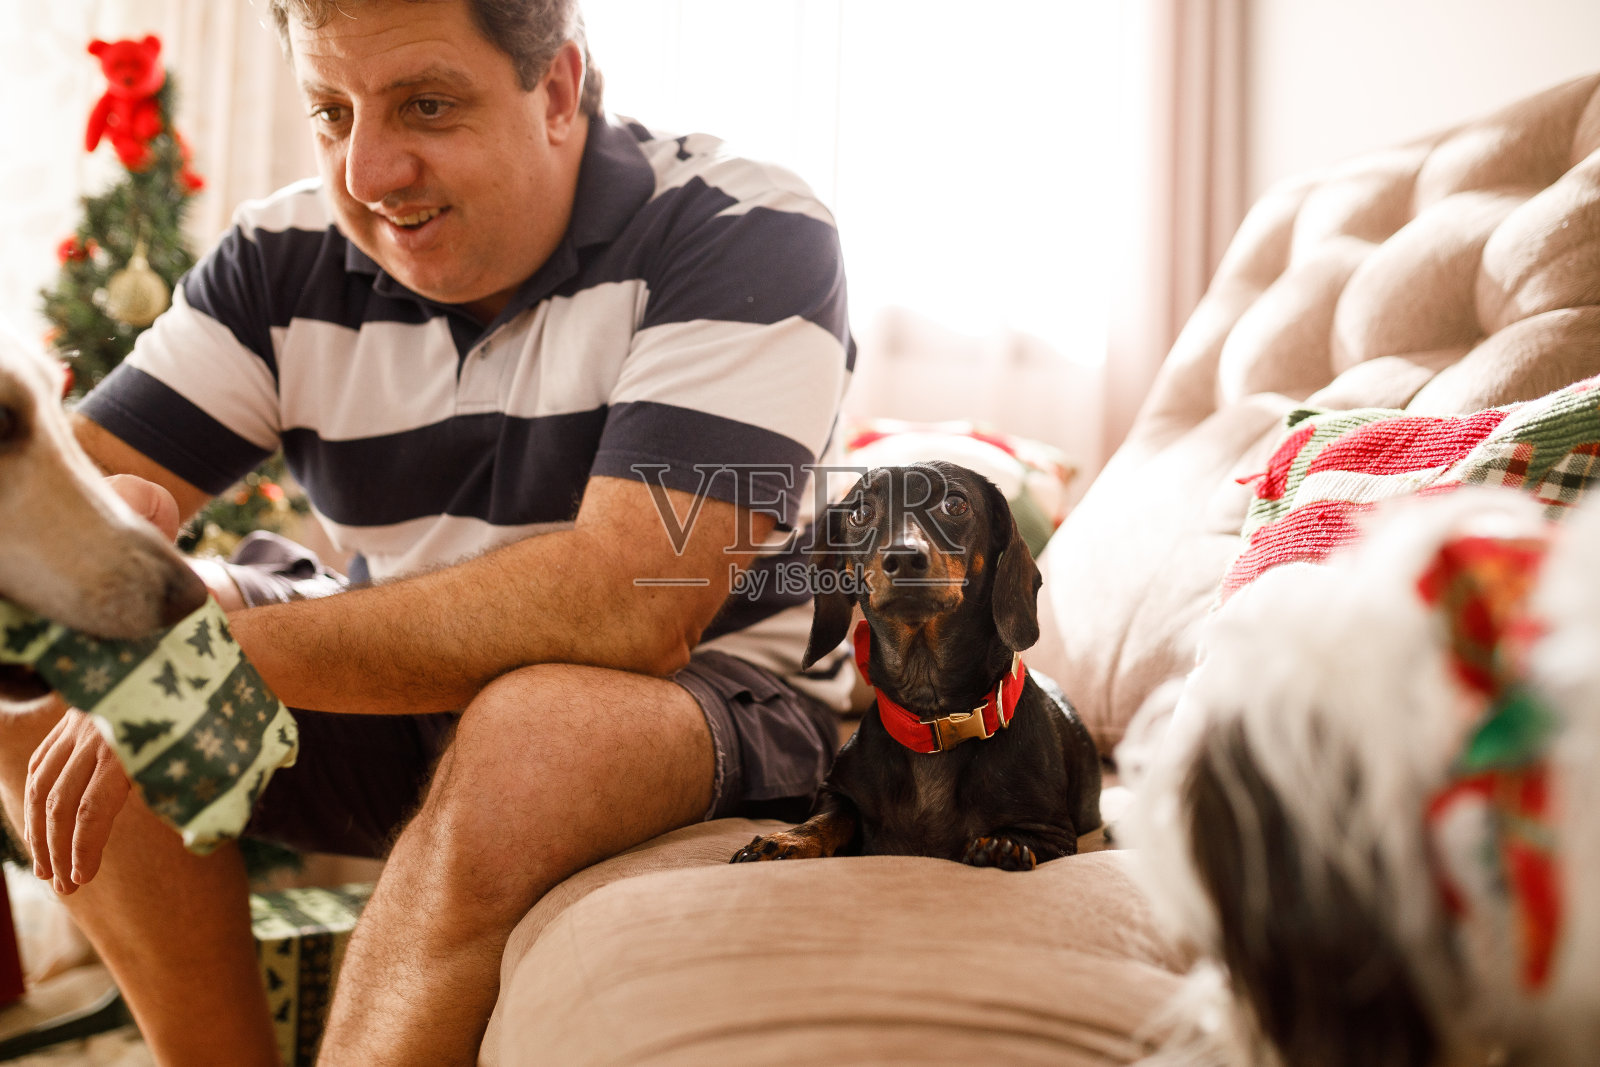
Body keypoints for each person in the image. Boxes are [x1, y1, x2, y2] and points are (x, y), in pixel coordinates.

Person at [0, 1, 855, 1063]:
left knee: (529, 729)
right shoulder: (282, 252)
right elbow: (66, 498)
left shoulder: (743, 228)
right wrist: (115, 536)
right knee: (52, 667)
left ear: (552, 90)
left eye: (425, 105)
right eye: (329, 110)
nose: (366, 171)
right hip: (408, 698)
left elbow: (628, 603)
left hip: (699, 703)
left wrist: (227, 637)